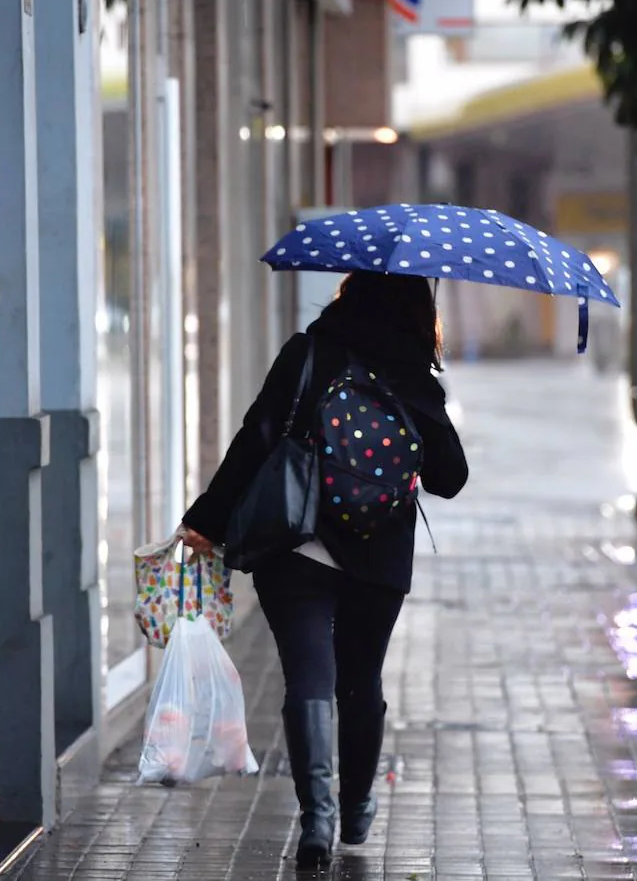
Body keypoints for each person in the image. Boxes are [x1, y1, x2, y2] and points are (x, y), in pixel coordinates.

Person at [181, 272, 468, 868]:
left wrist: (207, 519)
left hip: (295, 543)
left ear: (350, 292)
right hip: (378, 554)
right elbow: (451, 478)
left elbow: (254, 441)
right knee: (361, 683)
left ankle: (317, 820)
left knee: (308, 679)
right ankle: (357, 805)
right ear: (418, 309)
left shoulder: (307, 352)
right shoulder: (414, 376)